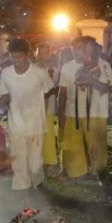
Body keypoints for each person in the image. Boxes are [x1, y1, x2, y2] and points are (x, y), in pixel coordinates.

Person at [0, 38, 54, 194]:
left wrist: (39, 106)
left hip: (36, 123)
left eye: (20, 57)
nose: (16, 61)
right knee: (18, 161)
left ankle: (37, 181)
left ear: (28, 54)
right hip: (16, 124)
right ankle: (23, 190)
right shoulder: (6, 73)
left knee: (35, 163)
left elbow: (49, 89)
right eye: (13, 57)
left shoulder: (40, 73)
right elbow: (4, 95)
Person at [58, 36, 112, 179]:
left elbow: (106, 88)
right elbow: (62, 92)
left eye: (80, 48)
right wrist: (61, 114)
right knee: (72, 145)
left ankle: (99, 171)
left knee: (96, 146)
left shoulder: (103, 65)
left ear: (88, 48)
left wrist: (91, 80)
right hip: (72, 112)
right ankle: (75, 171)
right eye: (73, 49)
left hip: (95, 112)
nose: (77, 52)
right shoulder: (67, 67)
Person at [34, 43, 61, 175]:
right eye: (40, 52)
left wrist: (50, 78)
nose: (42, 55)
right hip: (33, 109)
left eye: (46, 52)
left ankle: (45, 164)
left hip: (48, 108)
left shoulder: (54, 70)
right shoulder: (31, 69)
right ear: (36, 54)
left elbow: (54, 88)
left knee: (48, 136)